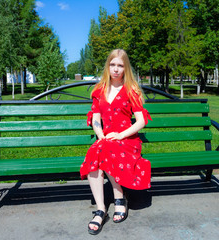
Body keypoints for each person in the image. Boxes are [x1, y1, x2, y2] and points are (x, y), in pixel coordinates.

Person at [80, 49, 152, 235]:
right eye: (113, 65)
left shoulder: (131, 91)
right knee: (95, 152)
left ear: (125, 68)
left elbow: (141, 121)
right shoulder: (99, 91)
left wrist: (120, 135)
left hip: (127, 141)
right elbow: (96, 119)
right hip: (107, 139)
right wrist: (100, 134)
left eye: (120, 65)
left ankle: (119, 197)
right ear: (108, 66)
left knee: (106, 150)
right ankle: (101, 209)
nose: (116, 69)